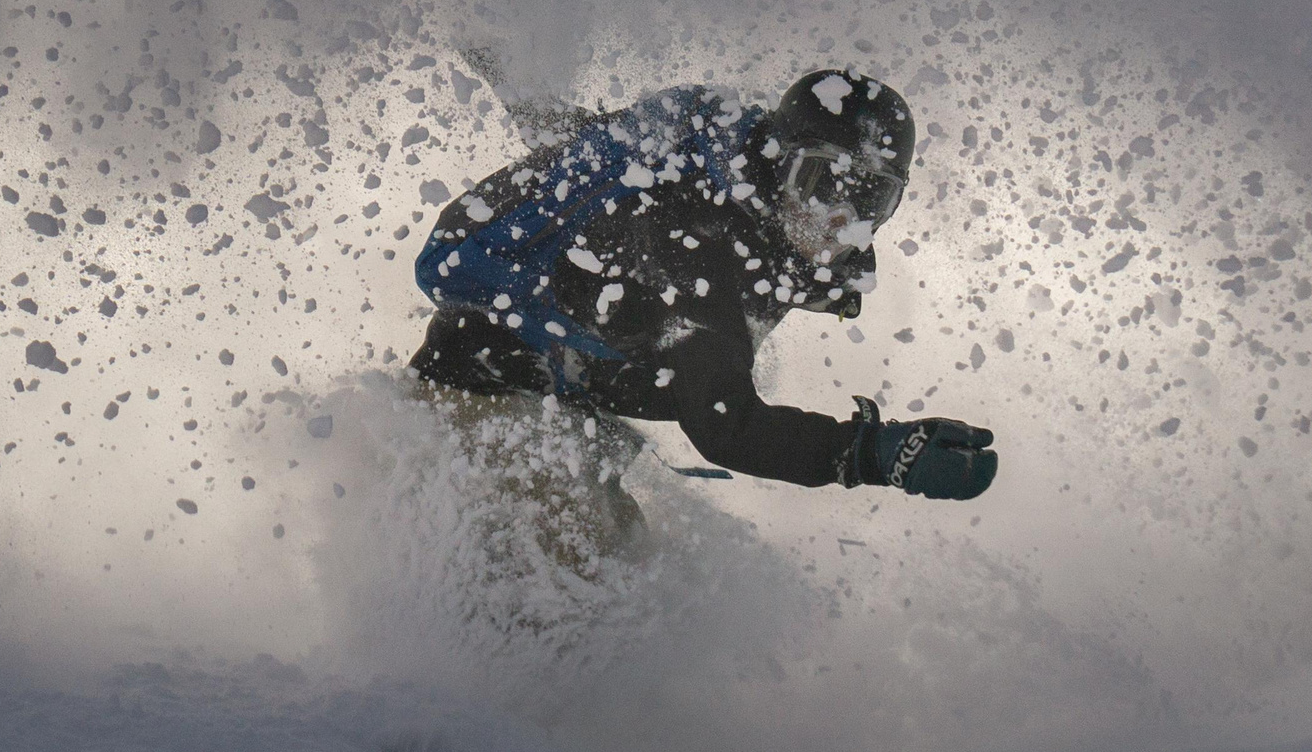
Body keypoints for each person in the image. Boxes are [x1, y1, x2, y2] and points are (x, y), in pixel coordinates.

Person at [407, 71, 997, 528]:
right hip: (477, 398)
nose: (836, 218)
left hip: (556, 403)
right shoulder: (696, 248)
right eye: (820, 182)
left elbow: (578, 137)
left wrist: (506, 68)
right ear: (777, 163)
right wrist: (876, 453)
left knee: (625, 567)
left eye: (868, 198)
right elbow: (726, 427)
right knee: (573, 590)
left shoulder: (727, 190)